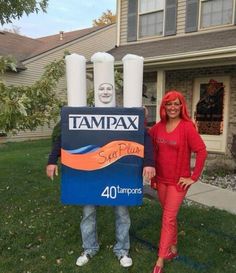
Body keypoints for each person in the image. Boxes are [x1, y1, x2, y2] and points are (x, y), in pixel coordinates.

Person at [46, 128, 155, 268]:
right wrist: (52, 160)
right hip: (91, 174)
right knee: (88, 212)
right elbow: (66, 136)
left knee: (122, 212)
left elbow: (143, 135)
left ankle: (122, 250)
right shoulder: (86, 117)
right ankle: (89, 248)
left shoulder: (123, 115)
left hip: (118, 173)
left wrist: (149, 162)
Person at [148, 90, 207, 273]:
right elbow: (145, 143)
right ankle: (172, 248)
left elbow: (202, 151)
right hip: (161, 180)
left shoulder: (187, 127)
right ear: (164, 106)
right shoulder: (158, 127)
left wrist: (193, 177)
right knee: (169, 216)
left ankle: (160, 259)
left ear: (181, 106)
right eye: (169, 104)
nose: (173, 107)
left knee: (168, 217)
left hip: (177, 183)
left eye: (176, 104)